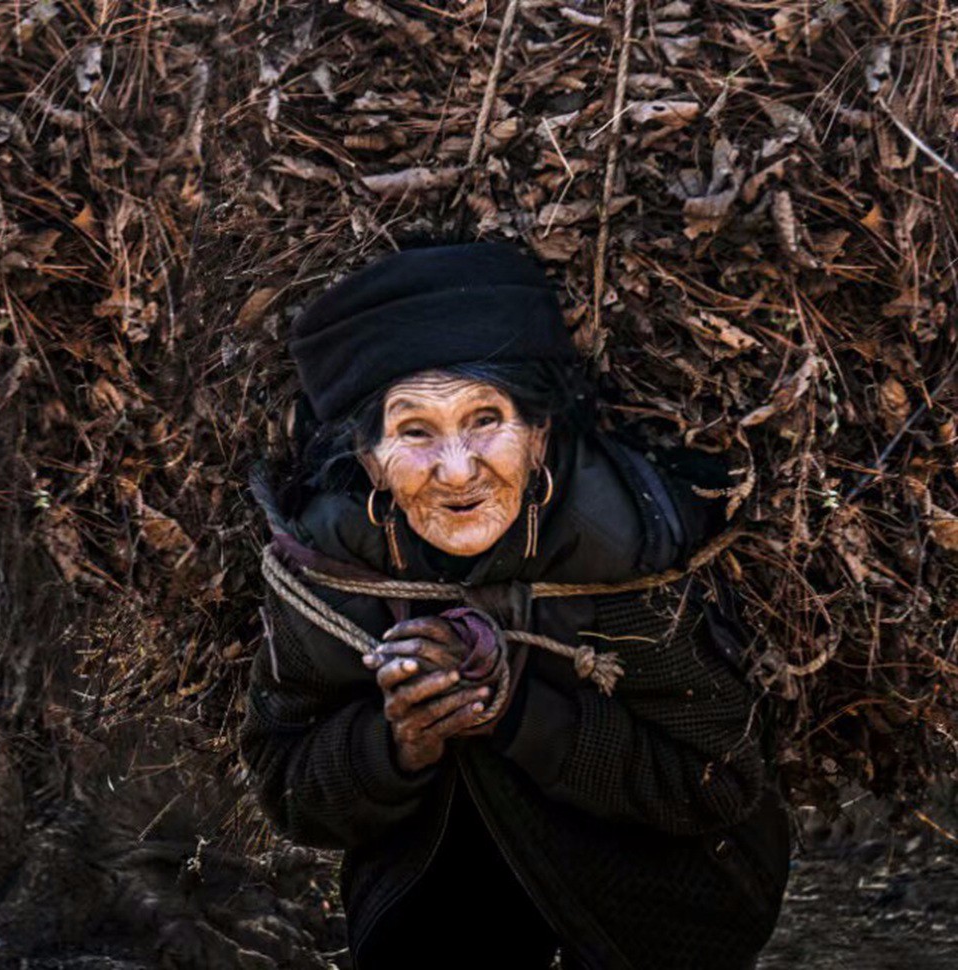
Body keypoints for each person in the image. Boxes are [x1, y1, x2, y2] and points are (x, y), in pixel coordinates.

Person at [240, 242, 791, 970]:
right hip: (440, 894)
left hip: (656, 902)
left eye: (484, 420)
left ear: (539, 435)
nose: (456, 471)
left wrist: (517, 714)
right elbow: (288, 785)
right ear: (370, 459)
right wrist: (398, 743)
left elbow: (717, 781)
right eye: (414, 431)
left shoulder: (623, 550)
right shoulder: (332, 567)